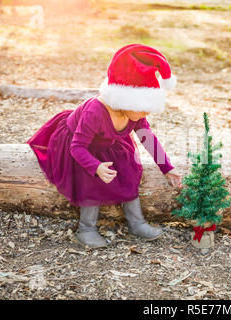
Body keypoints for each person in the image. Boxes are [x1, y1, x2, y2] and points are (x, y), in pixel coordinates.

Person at [26, 44, 182, 248]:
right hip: (79, 145)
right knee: (90, 179)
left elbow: (147, 138)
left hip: (108, 143)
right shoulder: (95, 112)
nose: (146, 114)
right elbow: (77, 147)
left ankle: (137, 223)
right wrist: (95, 166)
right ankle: (86, 228)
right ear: (127, 101)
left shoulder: (134, 113)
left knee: (129, 170)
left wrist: (167, 168)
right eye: (144, 110)